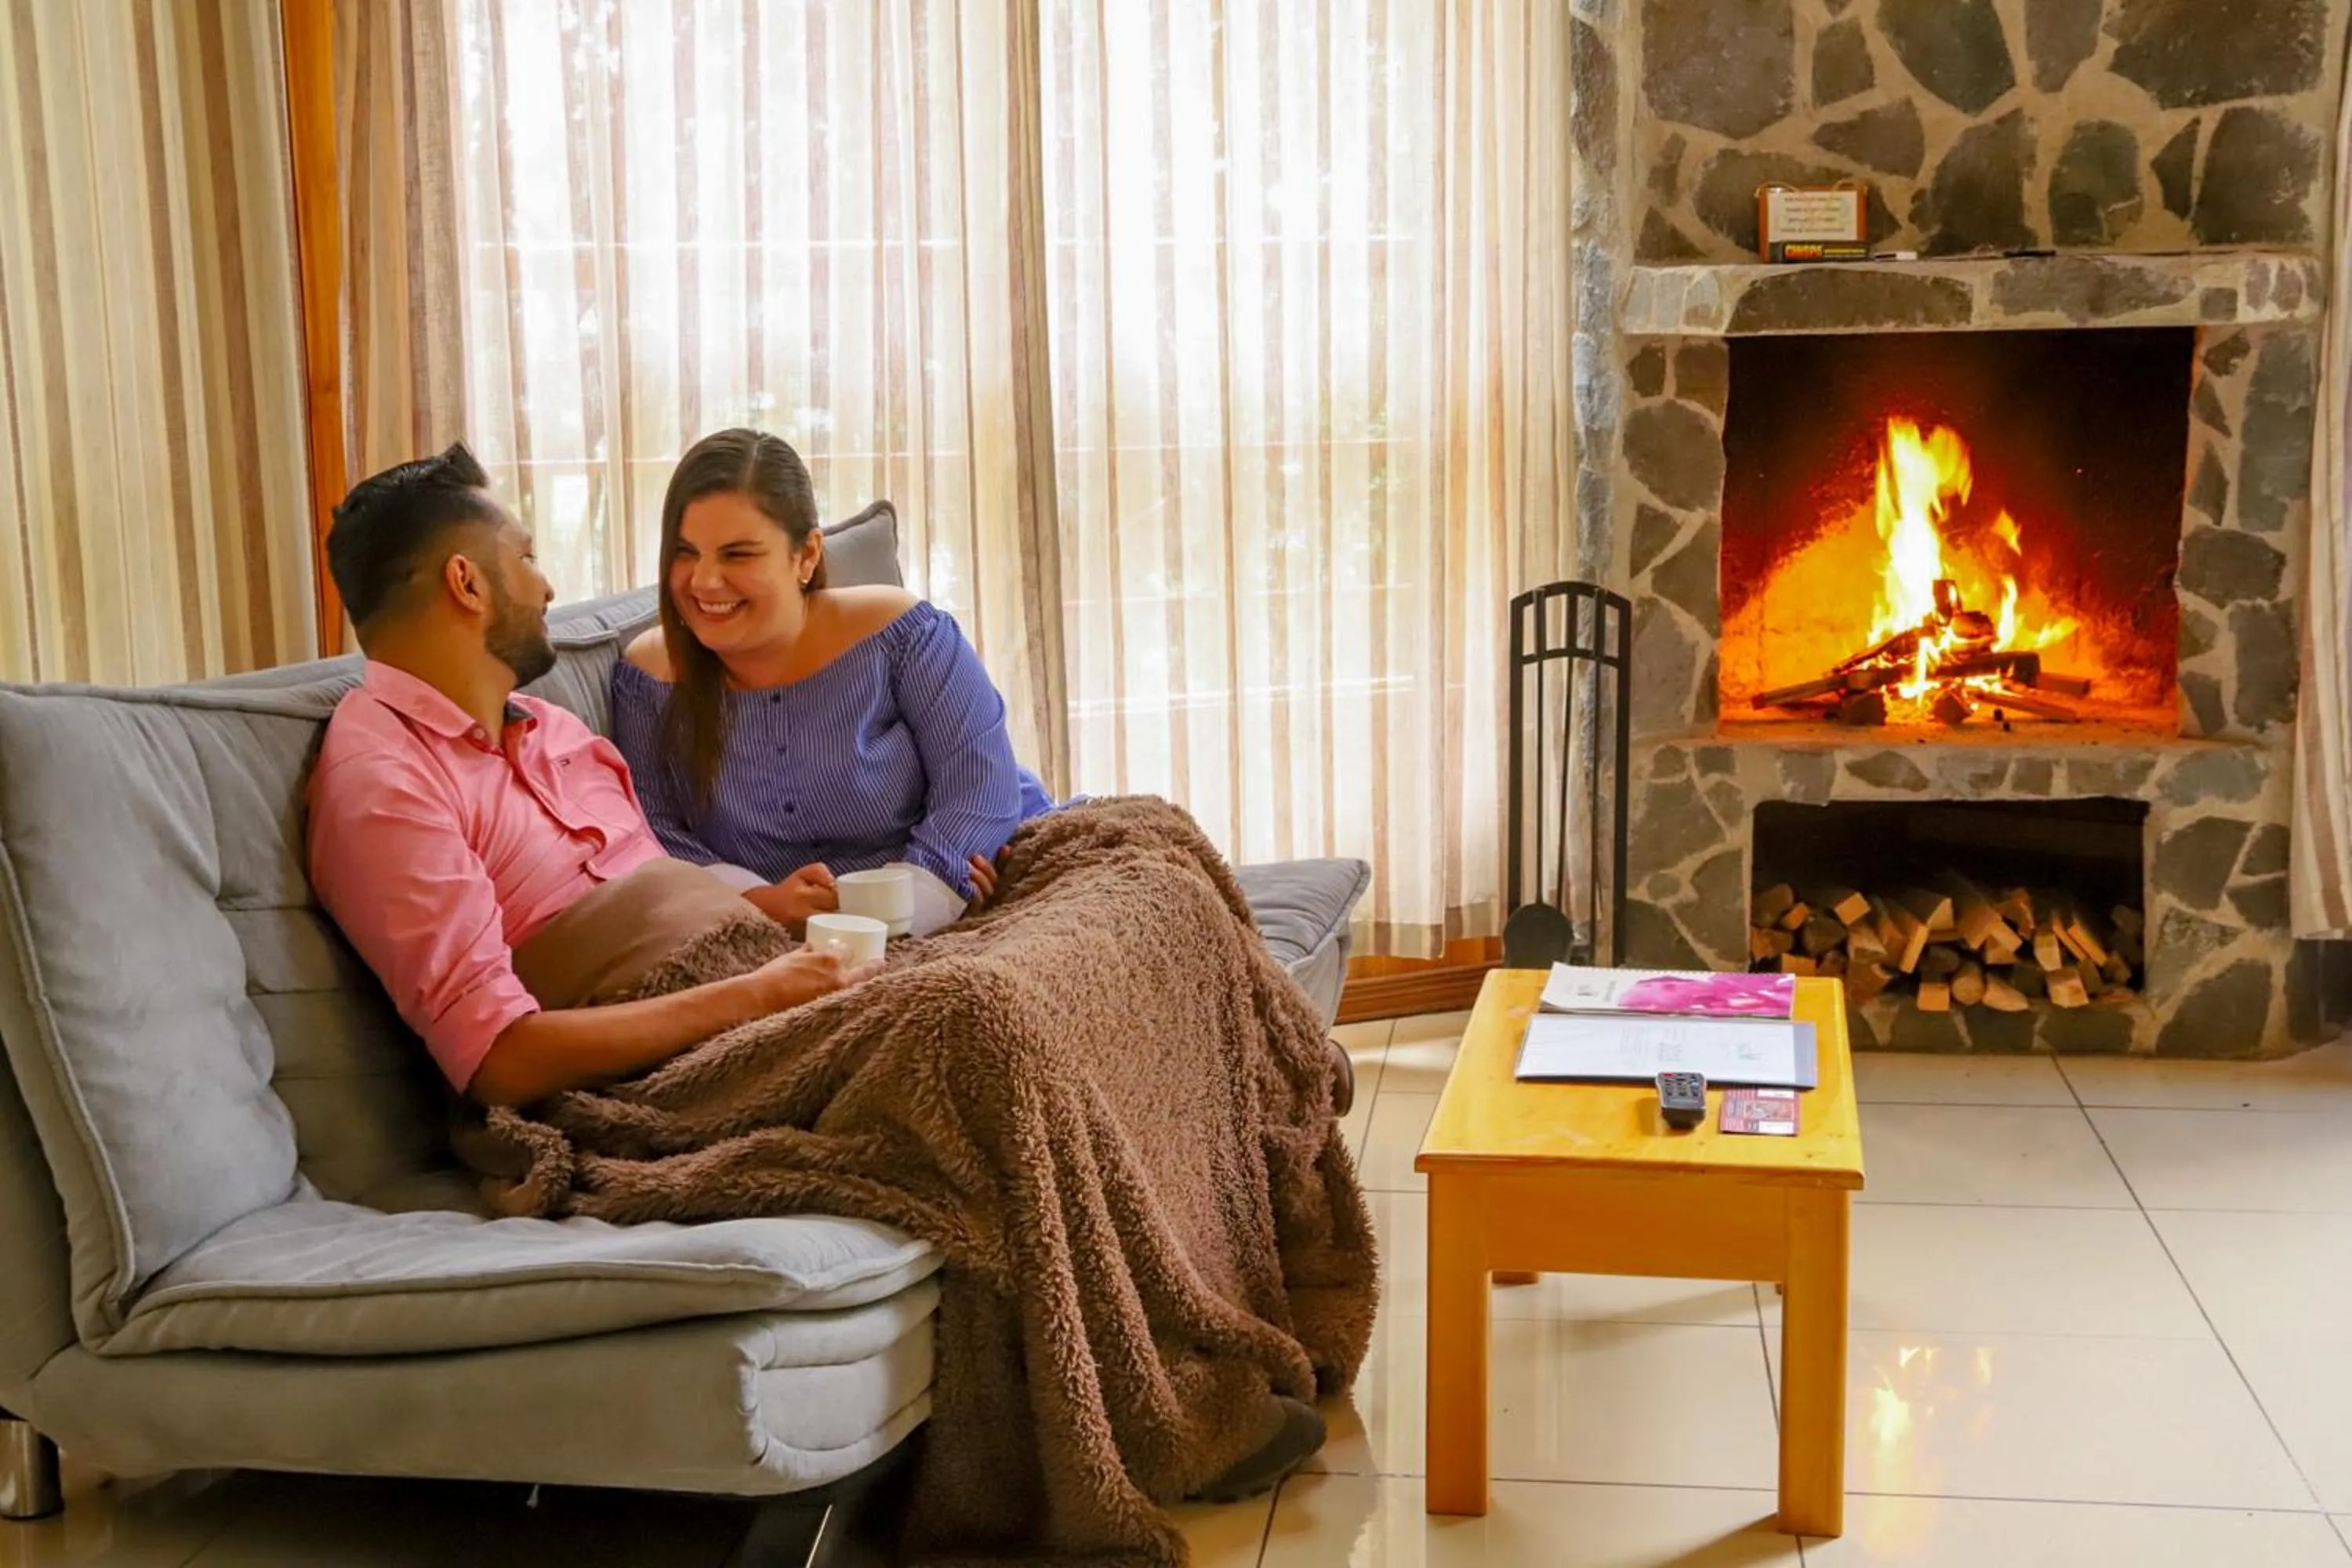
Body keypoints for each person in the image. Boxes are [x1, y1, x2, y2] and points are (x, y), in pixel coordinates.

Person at [305, 443, 876, 1109]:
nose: (547, 588)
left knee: (989, 949)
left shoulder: (554, 729)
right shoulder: (385, 781)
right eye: (526, 558)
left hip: (760, 990)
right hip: (683, 1069)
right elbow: (498, 1059)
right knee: (960, 1019)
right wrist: (759, 994)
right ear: (468, 583)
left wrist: (765, 910)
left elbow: (648, 898)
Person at [608, 427, 1054, 938]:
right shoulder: (646, 681)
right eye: (686, 552)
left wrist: (907, 905)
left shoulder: (904, 635)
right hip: (780, 936)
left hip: (971, 883)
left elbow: (978, 789)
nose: (704, 581)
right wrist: (759, 904)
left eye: (737, 554)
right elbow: (655, 833)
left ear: (806, 556)